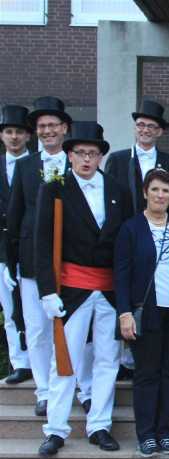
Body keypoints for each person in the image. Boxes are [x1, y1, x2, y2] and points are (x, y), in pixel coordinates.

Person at [36, 122, 131, 456]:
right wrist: (47, 290)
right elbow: (42, 242)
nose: (87, 159)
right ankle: (55, 429)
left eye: (93, 153)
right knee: (65, 361)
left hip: (109, 289)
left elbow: (126, 243)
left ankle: (99, 425)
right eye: (80, 153)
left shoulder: (118, 190)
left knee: (107, 360)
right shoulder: (54, 189)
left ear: (101, 156)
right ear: (69, 155)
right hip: (71, 289)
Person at [6, 97, 92, 417]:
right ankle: (44, 391)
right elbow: (15, 217)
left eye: (53, 125)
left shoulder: (79, 162)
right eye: (41, 126)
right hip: (33, 261)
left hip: (73, 261)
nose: (47, 131)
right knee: (38, 329)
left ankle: (84, 387)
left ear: (65, 128)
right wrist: (10, 261)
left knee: (79, 330)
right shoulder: (26, 166)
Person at [114, 168, 169, 457]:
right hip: (145, 314)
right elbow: (121, 276)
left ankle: (165, 433)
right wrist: (124, 313)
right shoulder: (130, 229)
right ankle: (146, 434)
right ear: (145, 192)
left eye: (166, 191)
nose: (160, 195)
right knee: (146, 375)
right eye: (155, 189)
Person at [104, 98, 169, 382]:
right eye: (141, 125)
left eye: (151, 126)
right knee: (127, 292)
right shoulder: (118, 159)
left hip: (159, 235)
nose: (145, 130)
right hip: (128, 235)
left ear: (159, 131)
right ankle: (126, 359)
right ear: (135, 127)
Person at [0, 104, 32, 384]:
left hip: (31, 248)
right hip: (2, 250)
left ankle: (42, 361)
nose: (14, 137)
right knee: (10, 309)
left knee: (37, 311)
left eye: (19, 132)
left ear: (28, 136)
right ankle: (20, 363)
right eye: (9, 131)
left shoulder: (38, 165)